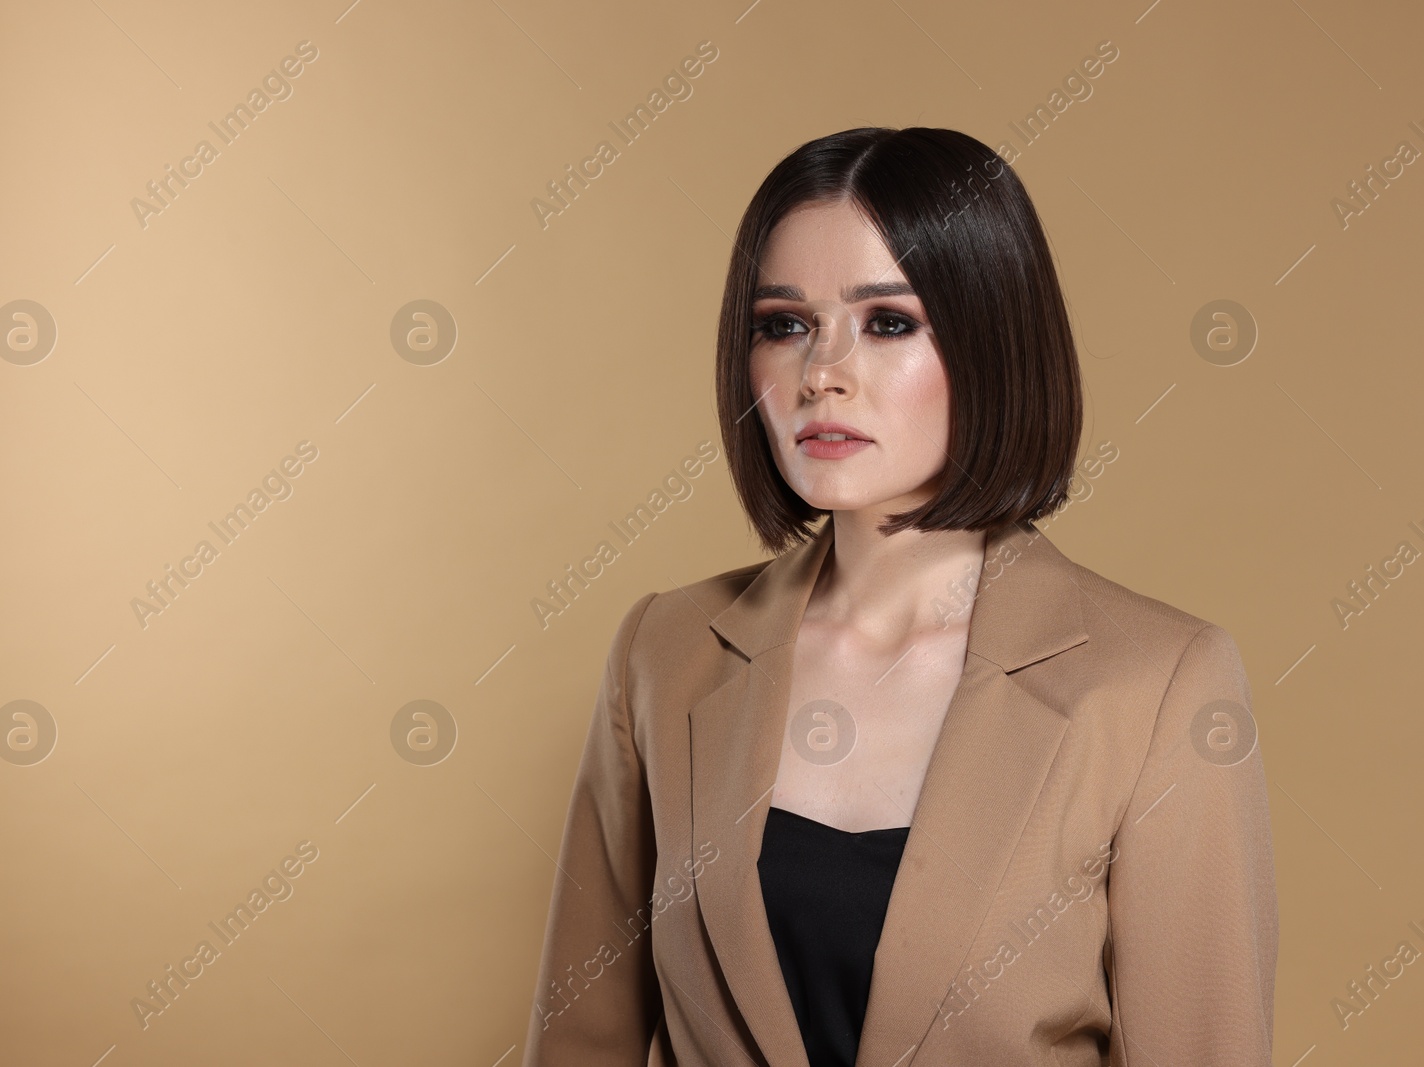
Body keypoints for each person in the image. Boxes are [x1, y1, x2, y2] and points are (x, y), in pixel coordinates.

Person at [521, 127, 1276, 1066]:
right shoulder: (664, 649)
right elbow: (577, 1044)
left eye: (888, 322)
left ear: (993, 342)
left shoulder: (1159, 686)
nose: (820, 374)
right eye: (784, 324)